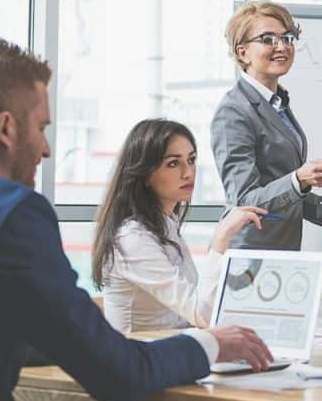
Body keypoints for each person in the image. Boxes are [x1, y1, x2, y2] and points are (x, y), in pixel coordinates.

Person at [0, 38, 272, 401]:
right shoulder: (9, 214)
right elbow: (118, 377)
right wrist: (209, 344)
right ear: (7, 128)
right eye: (41, 128)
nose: (45, 149)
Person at [212, 1, 322, 252]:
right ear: (242, 52)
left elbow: (278, 185)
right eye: (268, 39)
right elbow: (244, 201)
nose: (282, 46)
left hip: (283, 251)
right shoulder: (234, 111)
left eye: (287, 38)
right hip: (250, 254)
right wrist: (299, 178)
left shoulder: (277, 103)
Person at [93, 119, 264, 333]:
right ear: (145, 174)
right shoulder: (131, 238)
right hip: (138, 358)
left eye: (191, 160)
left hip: (172, 348)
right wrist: (221, 238)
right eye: (173, 163)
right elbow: (200, 314)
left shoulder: (166, 224)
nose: (188, 172)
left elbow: (196, 310)